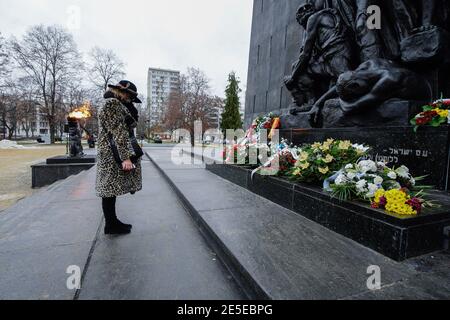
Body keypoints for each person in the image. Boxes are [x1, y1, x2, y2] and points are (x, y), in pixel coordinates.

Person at [95, 80, 143, 235]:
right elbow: (119, 133)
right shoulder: (112, 104)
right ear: (123, 93)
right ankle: (111, 225)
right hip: (112, 153)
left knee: (110, 190)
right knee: (109, 190)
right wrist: (126, 158)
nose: (130, 101)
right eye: (129, 97)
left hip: (111, 151)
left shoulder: (115, 104)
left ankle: (112, 222)